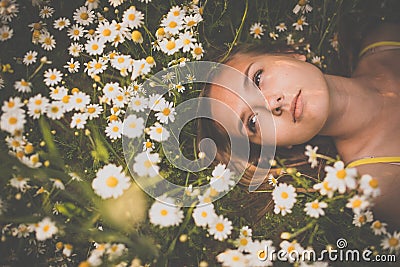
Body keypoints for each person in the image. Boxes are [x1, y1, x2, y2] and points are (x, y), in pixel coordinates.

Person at [197, 22, 400, 227]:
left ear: (289, 54)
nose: (271, 104)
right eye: (253, 122)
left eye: (257, 79)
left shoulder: (386, 35)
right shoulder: (378, 184)